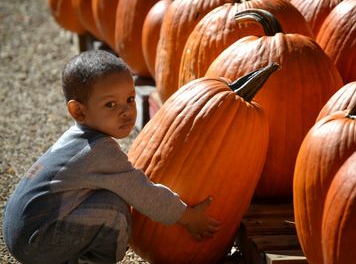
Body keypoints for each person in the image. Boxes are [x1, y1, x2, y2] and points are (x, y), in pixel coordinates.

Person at [3, 49, 220, 264]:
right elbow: (144, 193)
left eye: (130, 99)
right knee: (115, 211)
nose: (126, 111)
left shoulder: (75, 139)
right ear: (78, 111)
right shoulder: (99, 152)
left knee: (108, 197)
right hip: (36, 242)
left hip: (23, 233)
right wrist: (188, 217)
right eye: (111, 104)